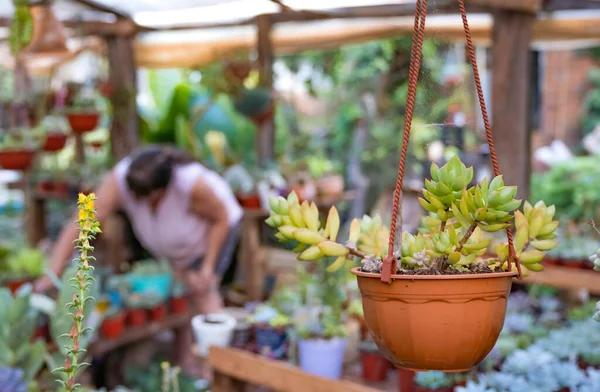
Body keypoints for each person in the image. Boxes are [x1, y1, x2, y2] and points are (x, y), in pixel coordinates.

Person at [34, 144, 243, 375]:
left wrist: (207, 267)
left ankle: (218, 372)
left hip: (209, 238)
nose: (137, 201)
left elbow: (221, 218)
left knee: (203, 292)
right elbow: (83, 219)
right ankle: (185, 364)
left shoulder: (192, 184)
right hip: (172, 247)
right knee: (179, 294)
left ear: (164, 189)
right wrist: (52, 272)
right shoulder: (120, 179)